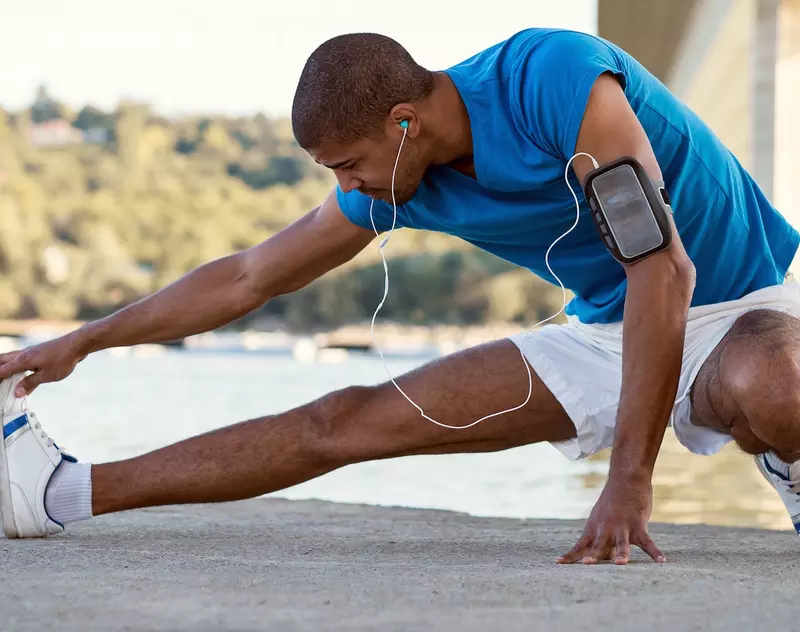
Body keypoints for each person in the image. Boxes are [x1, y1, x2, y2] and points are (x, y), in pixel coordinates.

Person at [1, 29, 799, 564]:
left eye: (347, 165)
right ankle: (59, 491)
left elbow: (662, 266)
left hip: (743, 304)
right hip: (608, 330)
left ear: (405, 122)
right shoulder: (393, 179)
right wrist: (84, 340)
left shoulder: (553, 78)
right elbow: (249, 275)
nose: (344, 188)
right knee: (339, 420)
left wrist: (631, 479)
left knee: (774, 385)